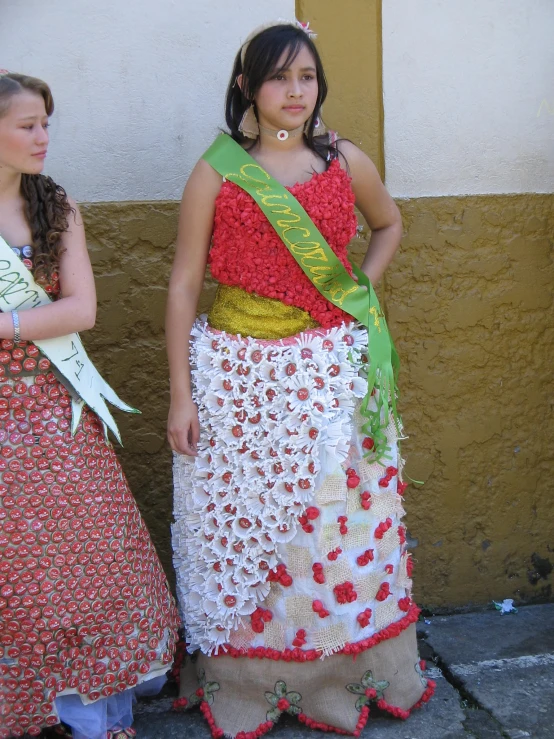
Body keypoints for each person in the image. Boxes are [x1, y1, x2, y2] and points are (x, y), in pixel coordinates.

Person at [166, 20, 435, 738]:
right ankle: (250, 679)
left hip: (326, 372)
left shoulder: (345, 160)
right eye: (279, 77)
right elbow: (184, 283)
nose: (295, 92)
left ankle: (340, 673)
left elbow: (389, 225)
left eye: (307, 77)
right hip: (235, 376)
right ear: (246, 87)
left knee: (328, 525)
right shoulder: (216, 171)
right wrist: (181, 395)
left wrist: (358, 295)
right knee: (247, 528)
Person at [0, 72, 180, 739]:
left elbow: (83, 307)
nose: (43, 137)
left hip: (52, 405)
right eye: (28, 125)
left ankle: (83, 707)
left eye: (47, 123)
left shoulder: (55, 206)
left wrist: (7, 325)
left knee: (86, 560)